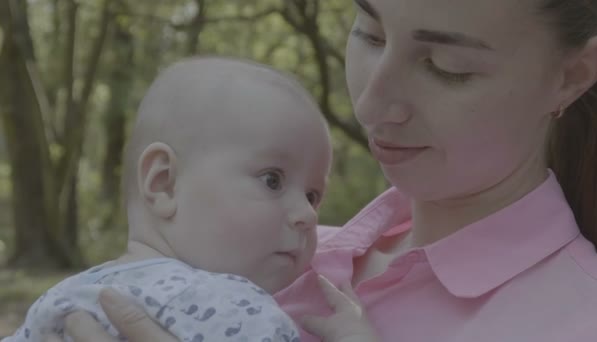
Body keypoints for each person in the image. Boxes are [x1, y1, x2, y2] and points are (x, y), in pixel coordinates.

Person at [48, 0, 597, 340]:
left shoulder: (587, 320)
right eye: (369, 32)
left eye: (446, 67)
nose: (370, 104)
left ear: (573, 74)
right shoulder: (259, 252)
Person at [5, 57, 379, 342]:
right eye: (272, 180)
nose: (307, 216)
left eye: (313, 196)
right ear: (164, 182)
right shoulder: (231, 309)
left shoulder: (64, 298)